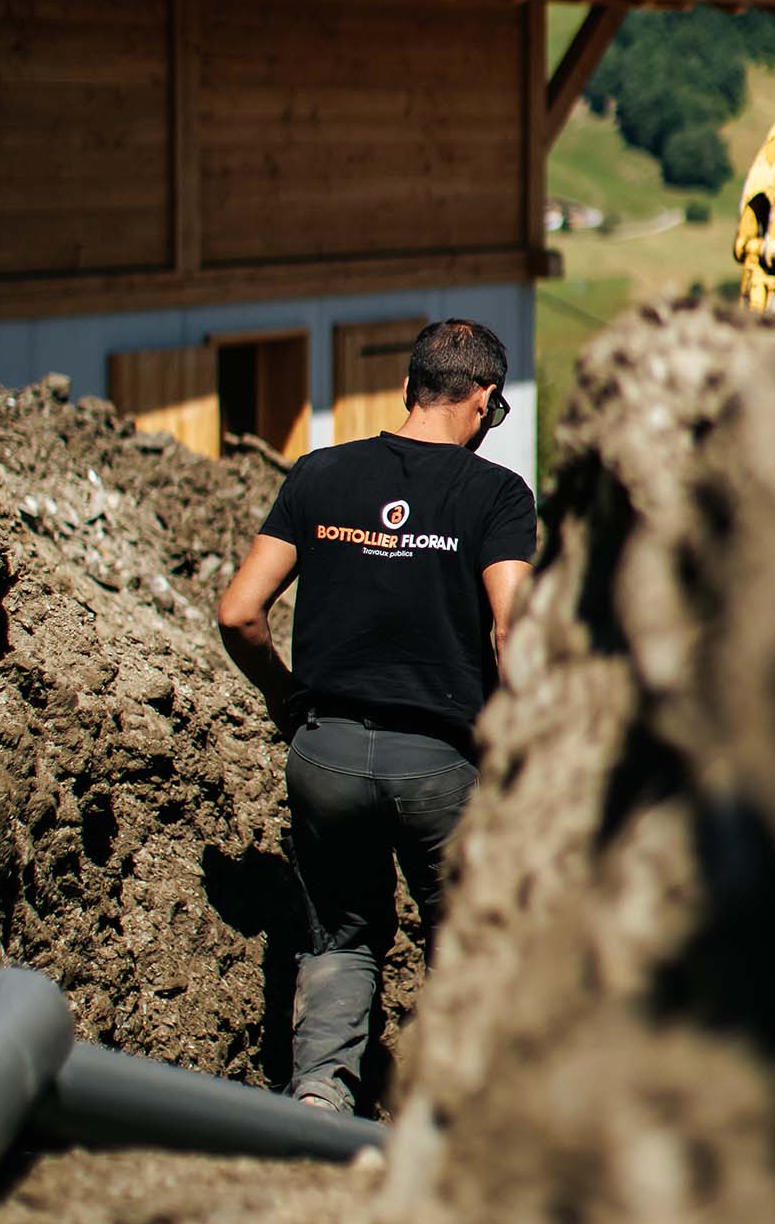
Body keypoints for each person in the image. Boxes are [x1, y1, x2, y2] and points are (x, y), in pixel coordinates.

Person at [217, 317, 536, 1113]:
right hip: (439, 767)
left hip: (322, 758)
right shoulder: (495, 494)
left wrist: (286, 699)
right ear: (487, 401)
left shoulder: (320, 475)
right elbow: (513, 629)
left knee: (342, 937)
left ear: (408, 389)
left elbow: (239, 615)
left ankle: (321, 1098)